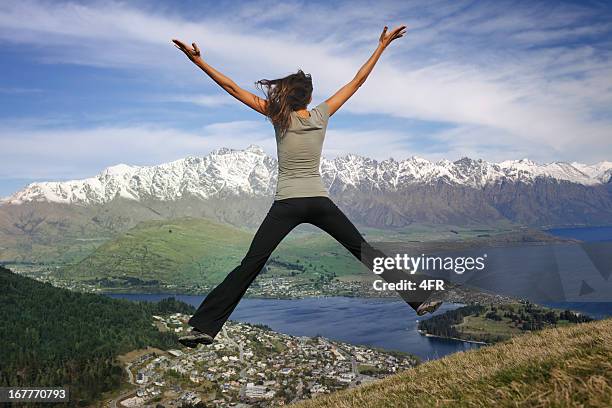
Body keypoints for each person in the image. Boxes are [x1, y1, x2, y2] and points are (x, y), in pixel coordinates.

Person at [171, 25, 442, 348]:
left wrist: (198, 61)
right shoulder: (321, 114)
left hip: (286, 204)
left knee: (251, 264)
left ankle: (204, 326)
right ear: (309, 97)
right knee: (364, 250)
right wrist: (382, 46)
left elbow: (231, 88)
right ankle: (419, 299)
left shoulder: (276, 115)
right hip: (318, 201)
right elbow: (358, 81)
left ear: (286, 94)